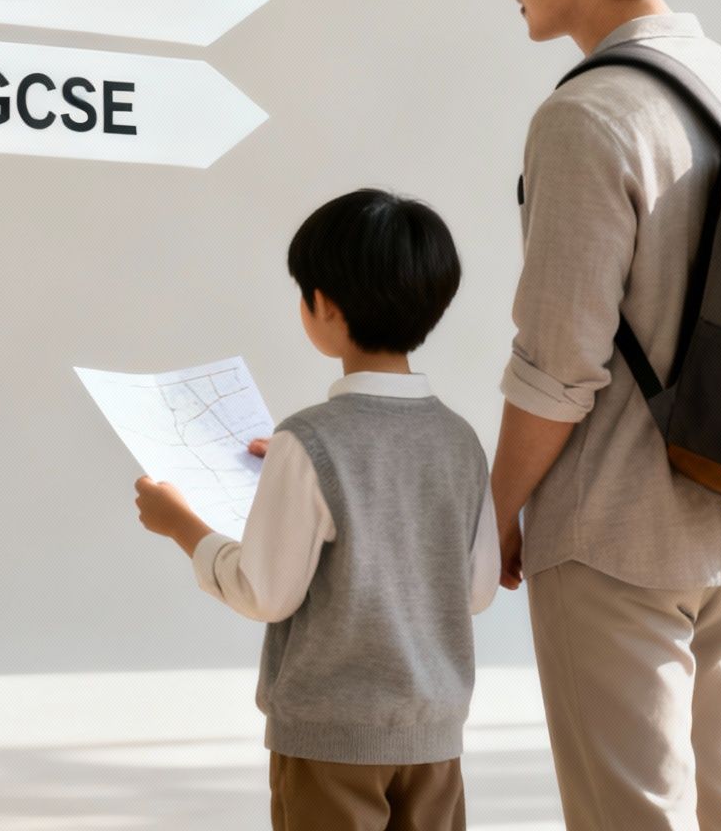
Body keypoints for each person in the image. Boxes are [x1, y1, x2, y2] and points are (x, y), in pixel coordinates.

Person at [488, 0, 721, 829]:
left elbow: (558, 361)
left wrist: (494, 508)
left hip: (617, 530)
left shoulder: (586, 116)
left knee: (632, 816)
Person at [134, 189, 497, 830]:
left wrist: (182, 527)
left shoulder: (310, 440)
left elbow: (264, 593)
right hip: (435, 739)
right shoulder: (459, 439)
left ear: (323, 306)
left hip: (330, 742)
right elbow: (475, 590)